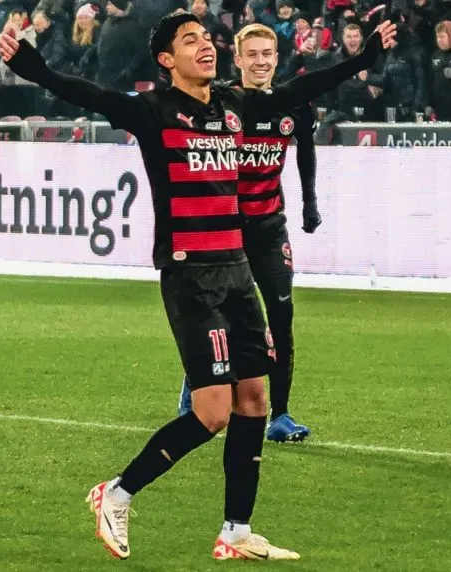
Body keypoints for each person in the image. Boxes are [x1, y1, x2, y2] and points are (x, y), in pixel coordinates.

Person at [0, 11, 396, 561]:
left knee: (254, 399)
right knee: (212, 413)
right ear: (167, 60)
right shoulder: (152, 112)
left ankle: (236, 530)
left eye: (208, 39)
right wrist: (33, 66)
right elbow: (84, 93)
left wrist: (363, 60)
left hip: (236, 268)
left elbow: (304, 87)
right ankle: (116, 492)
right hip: (190, 276)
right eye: (191, 42)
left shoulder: (236, 106)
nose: (205, 48)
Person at [175, 23, 318, 444]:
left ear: (277, 58)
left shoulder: (294, 105)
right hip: (227, 230)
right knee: (221, 316)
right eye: (251, 54)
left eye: (267, 54)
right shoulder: (219, 103)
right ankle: (197, 387)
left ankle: (281, 414)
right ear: (237, 60)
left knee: (281, 316)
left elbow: (305, 154)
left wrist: (310, 204)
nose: (260, 61)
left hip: (270, 227)